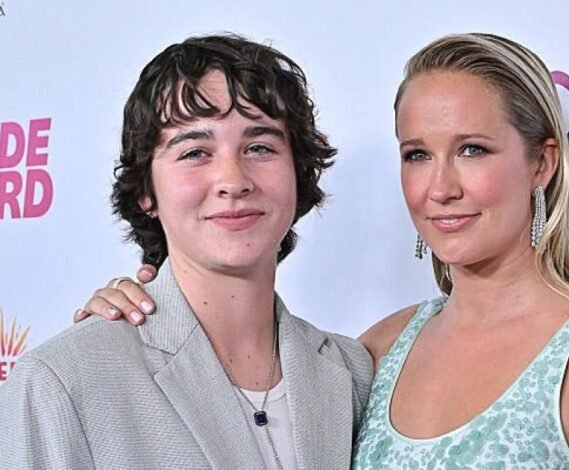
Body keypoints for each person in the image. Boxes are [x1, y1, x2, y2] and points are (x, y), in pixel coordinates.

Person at [76, 34, 569, 468]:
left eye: (472, 149)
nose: (440, 187)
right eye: (417, 154)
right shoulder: (374, 353)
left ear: (541, 163)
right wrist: (140, 309)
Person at [0, 34, 372, 470]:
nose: (233, 181)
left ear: (298, 172)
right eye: (195, 152)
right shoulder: (61, 381)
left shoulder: (352, 373)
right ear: (146, 192)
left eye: (259, 147)